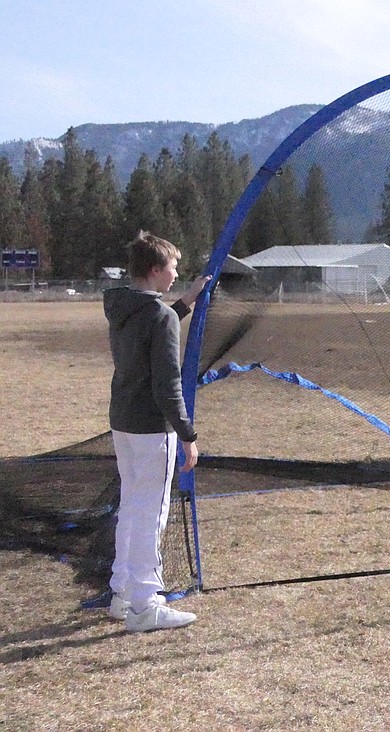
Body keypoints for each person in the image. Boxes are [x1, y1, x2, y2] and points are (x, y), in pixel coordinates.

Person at [104, 231, 209, 632]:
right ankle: (146, 604)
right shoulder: (159, 316)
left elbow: (156, 324)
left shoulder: (124, 308)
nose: (176, 274)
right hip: (151, 428)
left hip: (123, 423)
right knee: (152, 512)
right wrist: (188, 434)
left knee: (132, 507)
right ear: (154, 270)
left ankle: (123, 594)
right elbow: (168, 384)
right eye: (172, 268)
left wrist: (186, 302)